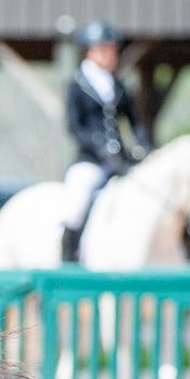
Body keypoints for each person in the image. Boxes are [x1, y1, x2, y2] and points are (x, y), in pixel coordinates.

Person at [60, 21, 148, 262]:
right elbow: (74, 126)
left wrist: (143, 147)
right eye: (106, 49)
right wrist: (98, 146)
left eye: (113, 50)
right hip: (90, 159)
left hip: (119, 160)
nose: (112, 55)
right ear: (92, 51)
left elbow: (135, 123)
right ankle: (68, 257)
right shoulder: (77, 84)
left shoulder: (117, 86)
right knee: (76, 203)